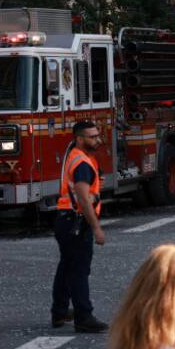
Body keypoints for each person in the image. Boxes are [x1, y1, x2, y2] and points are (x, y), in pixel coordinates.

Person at [52, 120, 109, 333]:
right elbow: (84, 200)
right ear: (79, 139)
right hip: (76, 221)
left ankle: (59, 312)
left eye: (97, 135)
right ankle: (84, 317)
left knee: (67, 265)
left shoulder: (78, 158)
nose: (98, 140)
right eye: (92, 137)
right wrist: (96, 228)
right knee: (79, 270)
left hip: (65, 219)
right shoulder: (82, 163)